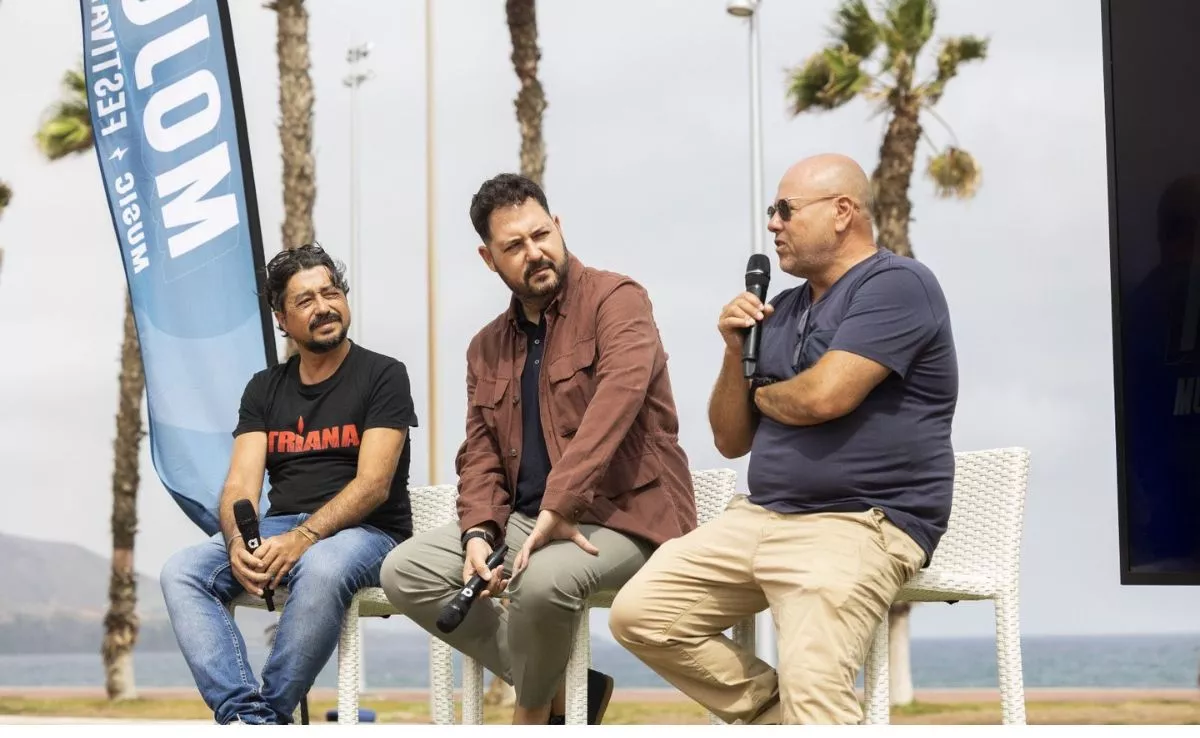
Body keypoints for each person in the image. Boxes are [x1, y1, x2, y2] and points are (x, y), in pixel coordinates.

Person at [609, 153, 959, 725]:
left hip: (859, 522)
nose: (773, 223)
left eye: (786, 209)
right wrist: (734, 353)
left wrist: (763, 395)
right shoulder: (782, 309)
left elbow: (825, 397)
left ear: (842, 212)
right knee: (640, 616)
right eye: (773, 211)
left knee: (815, 685)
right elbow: (729, 439)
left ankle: (806, 716)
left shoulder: (898, 284)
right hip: (760, 517)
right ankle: (780, 719)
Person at [379, 173, 696, 725]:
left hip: (626, 517)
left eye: (541, 234)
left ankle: (532, 716)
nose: (535, 252)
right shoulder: (485, 347)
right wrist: (479, 533)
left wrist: (560, 505)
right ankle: (569, 691)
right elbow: (480, 453)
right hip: (526, 523)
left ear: (559, 226)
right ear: (489, 258)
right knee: (405, 571)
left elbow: (615, 407)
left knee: (541, 582)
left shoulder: (618, 300)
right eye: (514, 246)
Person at [160, 244, 419, 724]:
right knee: (182, 571)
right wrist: (236, 542)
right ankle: (244, 715)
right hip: (281, 527)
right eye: (305, 300)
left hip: (367, 533)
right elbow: (240, 484)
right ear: (282, 319)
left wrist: (303, 538)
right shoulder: (264, 388)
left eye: (331, 292)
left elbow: (373, 485)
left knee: (321, 565)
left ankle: (269, 717)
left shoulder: (384, 374)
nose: (324, 307)